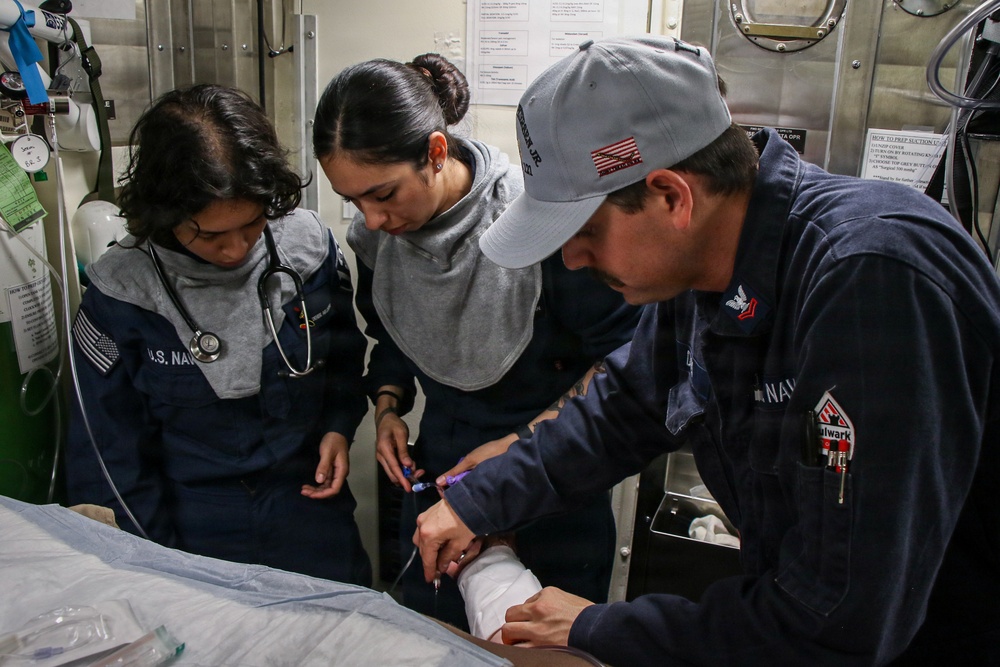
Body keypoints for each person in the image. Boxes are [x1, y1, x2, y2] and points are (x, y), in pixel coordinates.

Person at [415, 35, 1000, 665]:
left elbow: (836, 620)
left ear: (671, 197)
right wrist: (477, 502)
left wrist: (596, 627)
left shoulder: (869, 278)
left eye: (584, 232)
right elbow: (626, 408)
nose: (573, 260)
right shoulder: (699, 277)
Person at [312, 53, 642, 626]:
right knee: (430, 636)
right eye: (353, 200)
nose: (370, 219)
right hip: (443, 467)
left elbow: (623, 360)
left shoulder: (535, 224)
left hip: (551, 473)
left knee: (536, 644)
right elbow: (390, 332)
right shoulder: (378, 240)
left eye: (384, 194)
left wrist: (521, 443)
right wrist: (388, 408)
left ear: (436, 152)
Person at [65, 84, 372, 586]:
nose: (234, 250)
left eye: (251, 224)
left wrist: (339, 425)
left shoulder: (307, 248)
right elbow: (108, 455)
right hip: (190, 521)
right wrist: (154, 567)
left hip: (309, 507)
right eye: (209, 234)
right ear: (165, 214)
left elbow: (341, 355)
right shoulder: (120, 292)